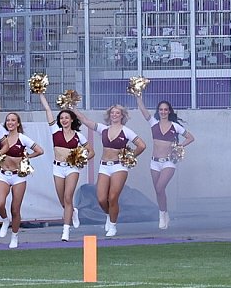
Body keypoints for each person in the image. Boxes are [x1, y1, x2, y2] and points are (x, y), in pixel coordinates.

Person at [75, 103, 145, 237]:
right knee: (101, 198)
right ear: (109, 115)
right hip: (104, 166)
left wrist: (130, 157)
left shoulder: (126, 131)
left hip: (119, 166)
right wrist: (73, 108)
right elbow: (85, 120)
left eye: (117, 113)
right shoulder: (103, 129)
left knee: (112, 197)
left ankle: (112, 225)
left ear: (122, 116)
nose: (114, 115)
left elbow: (141, 145)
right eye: (112, 113)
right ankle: (109, 214)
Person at [135, 94, 196, 230]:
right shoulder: (153, 123)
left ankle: (162, 215)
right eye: (161, 109)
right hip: (154, 162)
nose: (163, 112)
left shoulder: (175, 126)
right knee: (158, 191)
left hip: (169, 162)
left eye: (165, 109)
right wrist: (138, 97)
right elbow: (143, 110)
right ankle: (164, 213)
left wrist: (179, 147)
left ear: (169, 111)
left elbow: (190, 137)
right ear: (158, 111)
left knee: (159, 187)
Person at [38, 92, 88, 241]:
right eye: (61, 118)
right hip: (58, 168)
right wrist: (41, 94)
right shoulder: (55, 131)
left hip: (72, 168)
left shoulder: (79, 136)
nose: (64, 120)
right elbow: (48, 110)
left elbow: (91, 151)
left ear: (72, 119)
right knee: (63, 201)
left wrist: (81, 159)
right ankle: (73, 211)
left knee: (68, 197)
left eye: (67, 117)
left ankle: (65, 231)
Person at [0, 112, 43, 248]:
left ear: (18, 123)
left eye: (13, 120)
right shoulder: (1, 137)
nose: (10, 122)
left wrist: (26, 157)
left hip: (18, 176)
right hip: (3, 174)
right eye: (8, 120)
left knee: (15, 209)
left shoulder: (22, 138)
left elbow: (40, 150)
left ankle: (14, 236)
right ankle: (5, 220)